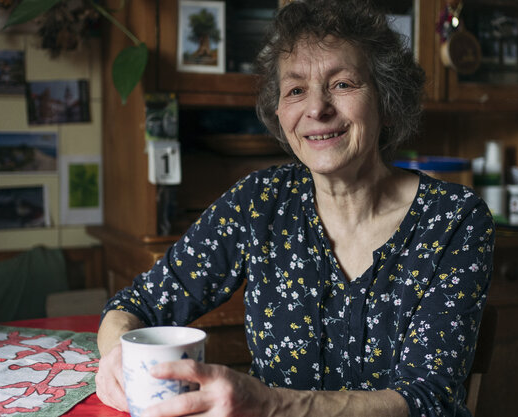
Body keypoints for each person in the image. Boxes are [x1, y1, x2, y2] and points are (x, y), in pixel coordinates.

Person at [95, 0, 495, 416]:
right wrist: (116, 361)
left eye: (342, 84)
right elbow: (136, 305)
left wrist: (268, 404)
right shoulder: (259, 203)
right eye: (296, 90)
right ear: (280, 113)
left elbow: (429, 402)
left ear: (387, 102)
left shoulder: (454, 220)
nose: (316, 109)